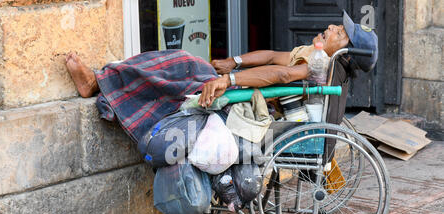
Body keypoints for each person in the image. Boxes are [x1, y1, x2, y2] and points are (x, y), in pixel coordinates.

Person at [65, 10, 377, 141]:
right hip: (251, 98)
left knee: (181, 63)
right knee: (179, 64)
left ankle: (98, 81)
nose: (336, 27)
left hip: (255, 109)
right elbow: (271, 57)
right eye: (340, 26)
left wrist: (228, 80)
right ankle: (106, 80)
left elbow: (281, 75)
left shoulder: (321, 65)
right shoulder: (312, 53)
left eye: (343, 34)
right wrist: (233, 61)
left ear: (345, 53)